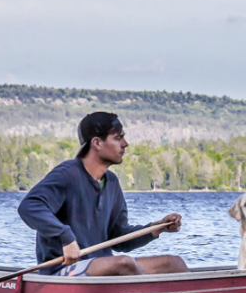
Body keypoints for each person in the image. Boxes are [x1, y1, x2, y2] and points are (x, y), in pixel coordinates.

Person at [18, 112, 190, 277]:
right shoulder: (67, 175)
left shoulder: (112, 183)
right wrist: (66, 237)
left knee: (174, 263)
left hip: (103, 267)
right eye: (118, 138)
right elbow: (29, 206)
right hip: (65, 270)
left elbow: (120, 238)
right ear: (97, 143)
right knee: (124, 264)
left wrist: (157, 227)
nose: (125, 144)